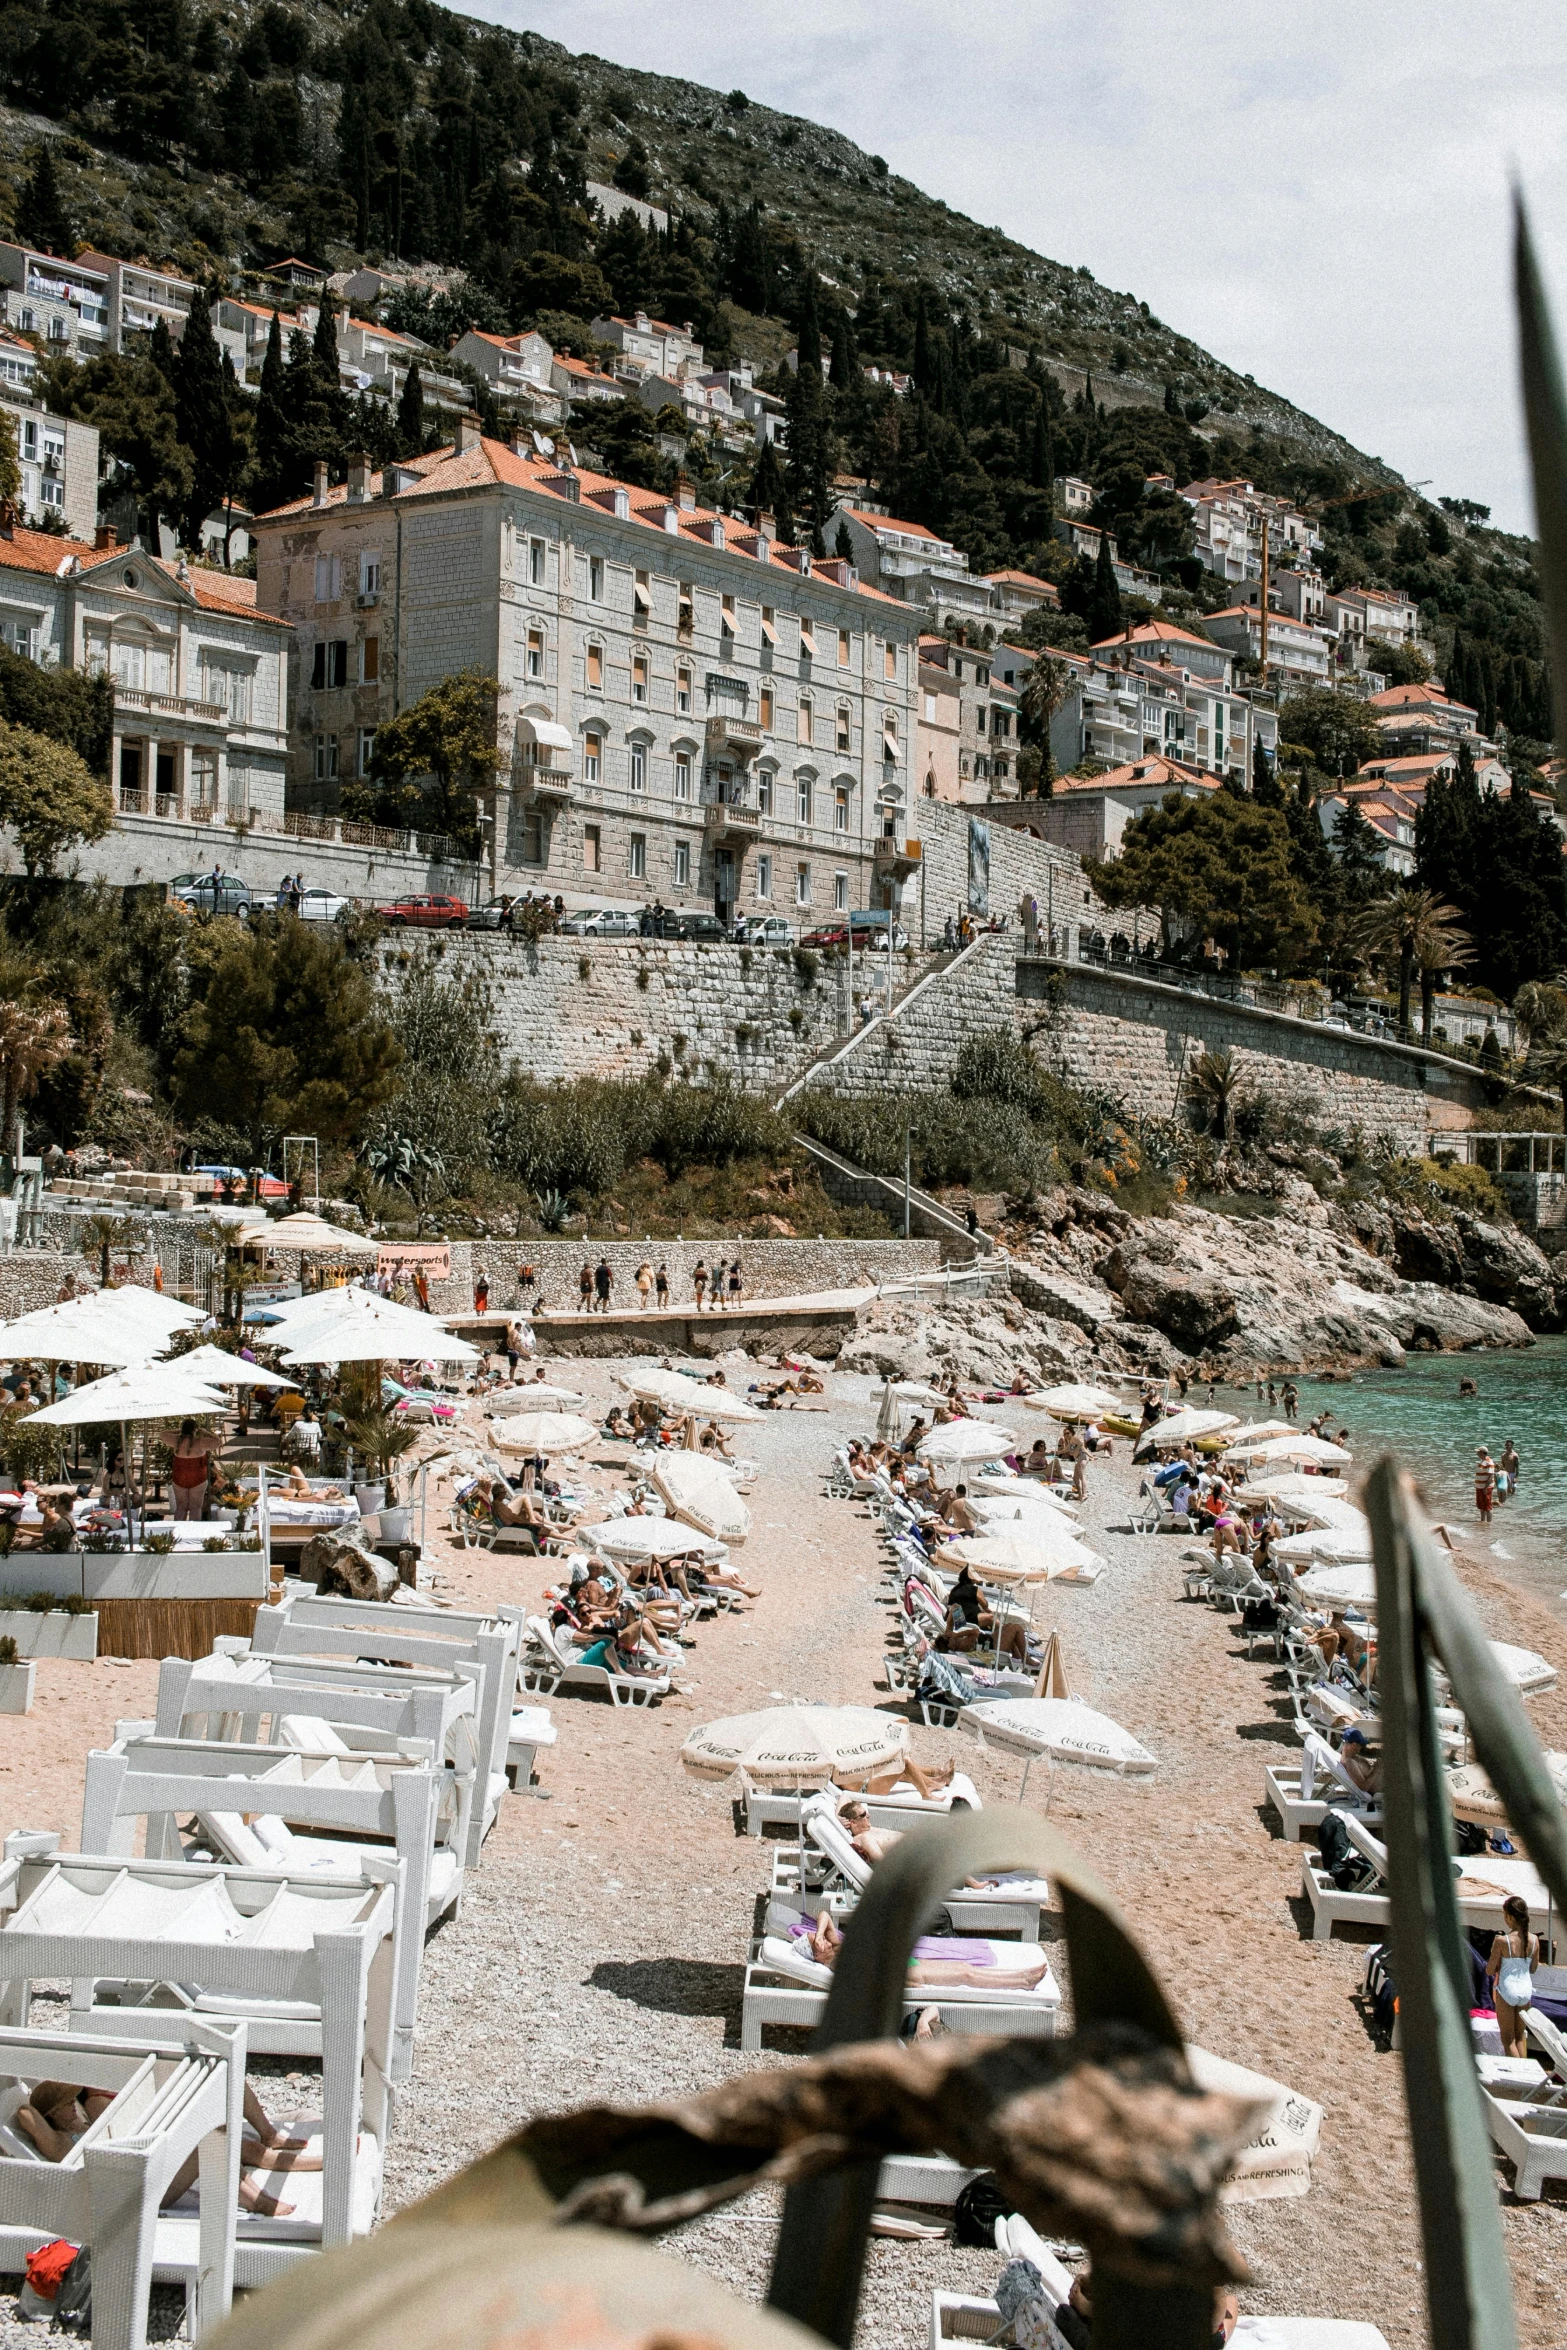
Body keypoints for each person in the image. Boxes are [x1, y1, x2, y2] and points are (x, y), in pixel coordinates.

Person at [1489, 1895, 1540, 2059]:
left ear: (1509, 1916)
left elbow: (1489, 1970)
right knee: (1520, 2037)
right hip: (1525, 1990)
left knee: (1508, 2039)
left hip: (1507, 1989)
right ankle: (1525, 2077)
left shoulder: (1502, 1940)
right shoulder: (1534, 1940)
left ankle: (1517, 2078)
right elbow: (1533, 1968)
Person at [170, 1419, 215, 1521]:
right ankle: (193, 1532)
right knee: (196, 1508)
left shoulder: (176, 1441)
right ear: (195, 1430)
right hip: (198, 1478)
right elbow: (219, 1441)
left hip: (179, 1478)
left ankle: (177, 1531)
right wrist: (206, 1433)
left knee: (181, 1508)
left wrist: (178, 1431)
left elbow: (162, 1434)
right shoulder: (200, 1442)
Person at [1476, 1446, 1497, 1527]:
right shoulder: (1483, 1461)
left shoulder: (1489, 1462)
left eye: (1478, 1452)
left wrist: (1485, 1487)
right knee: (1481, 1506)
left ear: (1482, 1452)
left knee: (1487, 1506)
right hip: (1479, 1486)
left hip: (1485, 1487)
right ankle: (1482, 1522)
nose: (1477, 1453)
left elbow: (1490, 1476)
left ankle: (1488, 1524)